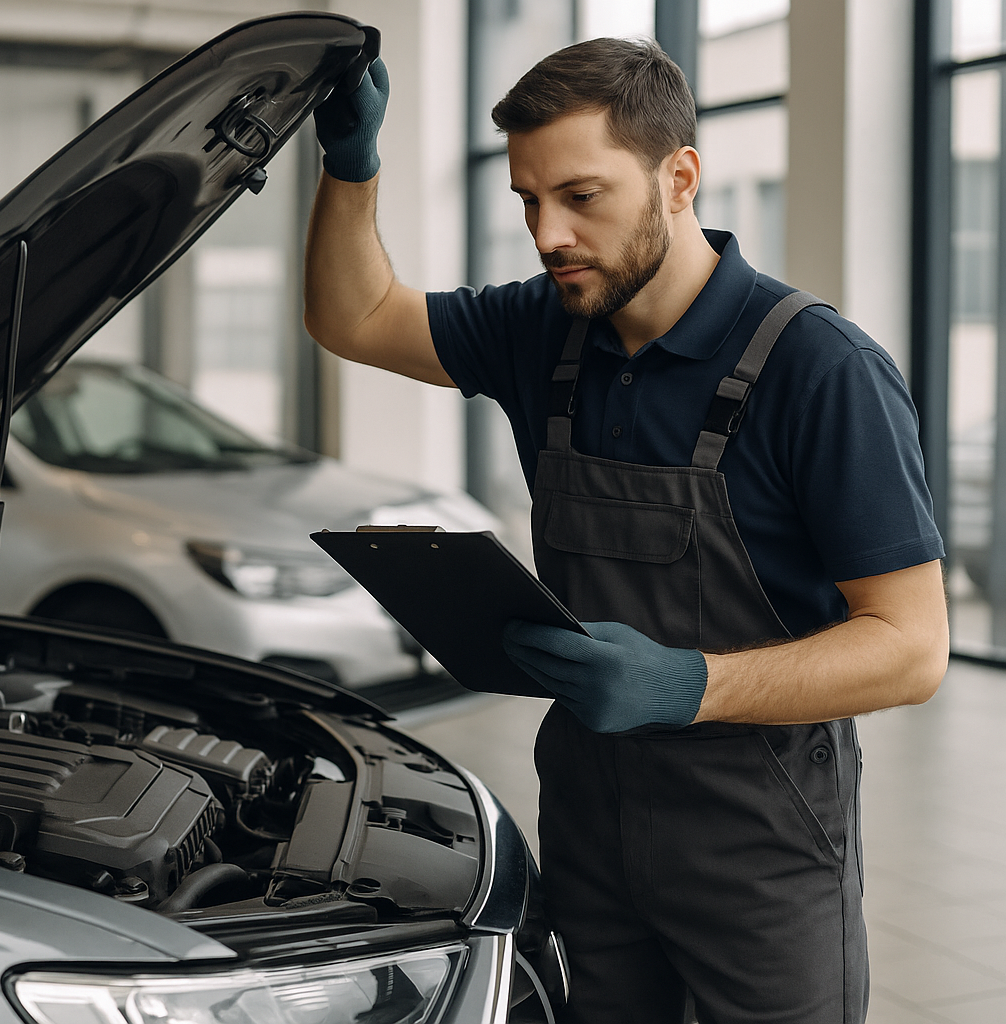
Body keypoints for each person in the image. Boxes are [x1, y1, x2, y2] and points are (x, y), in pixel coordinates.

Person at [304, 38, 948, 1024]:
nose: (547, 233)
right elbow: (357, 316)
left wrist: (692, 682)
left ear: (679, 177)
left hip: (760, 841)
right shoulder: (544, 329)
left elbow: (911, 648)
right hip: (589, 823)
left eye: (581, 196)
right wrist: (352, 169)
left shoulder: (822, 371)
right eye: (526, 200)